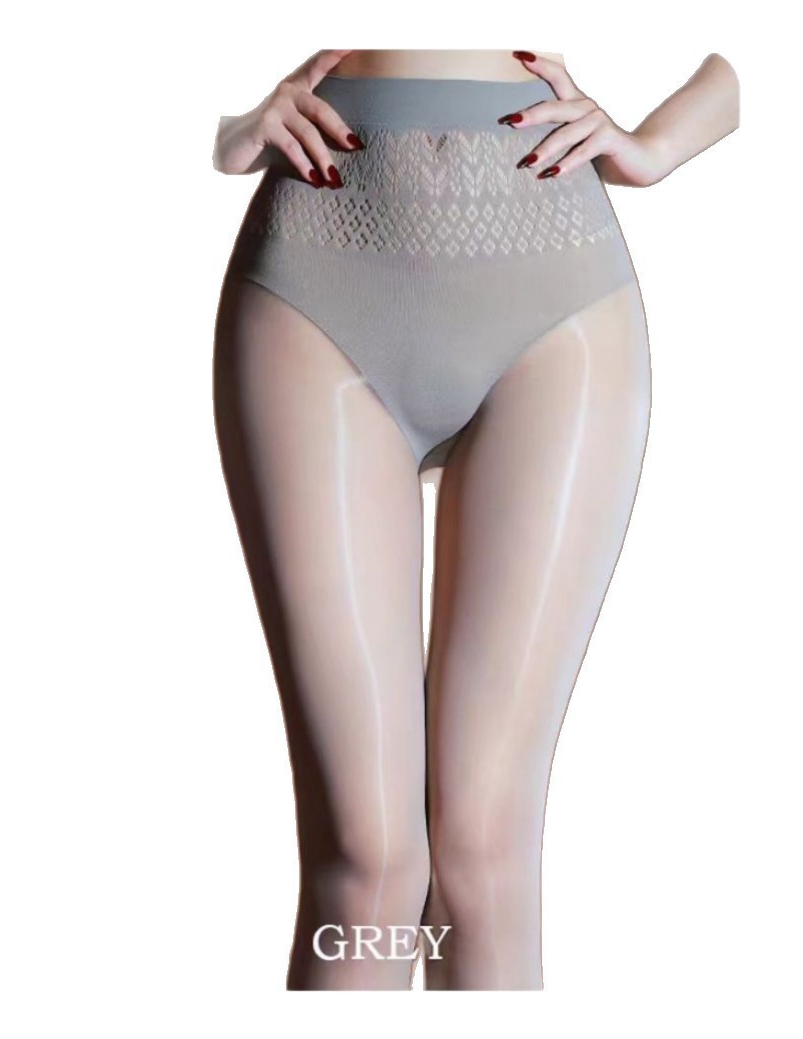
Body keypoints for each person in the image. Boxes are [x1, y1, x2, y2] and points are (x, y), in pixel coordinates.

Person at [211, 48, 739, 991]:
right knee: (366, 865)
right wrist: (219, 130)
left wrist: (659, 145)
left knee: (482, 858)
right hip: (316, 272)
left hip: (554, 295)